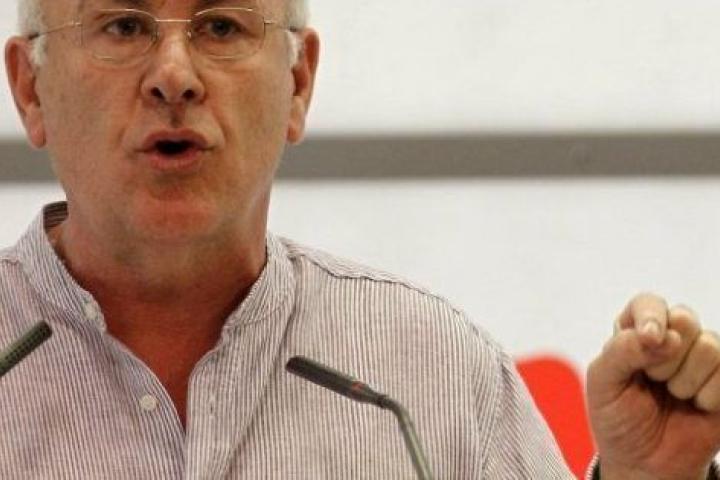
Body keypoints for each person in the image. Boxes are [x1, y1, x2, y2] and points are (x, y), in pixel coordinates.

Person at [1, 0, 719, 478]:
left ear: (299, 83)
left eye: (221, 27)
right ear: (31, 89)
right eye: (123, 27)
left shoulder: (429, 372)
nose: (174, 76)